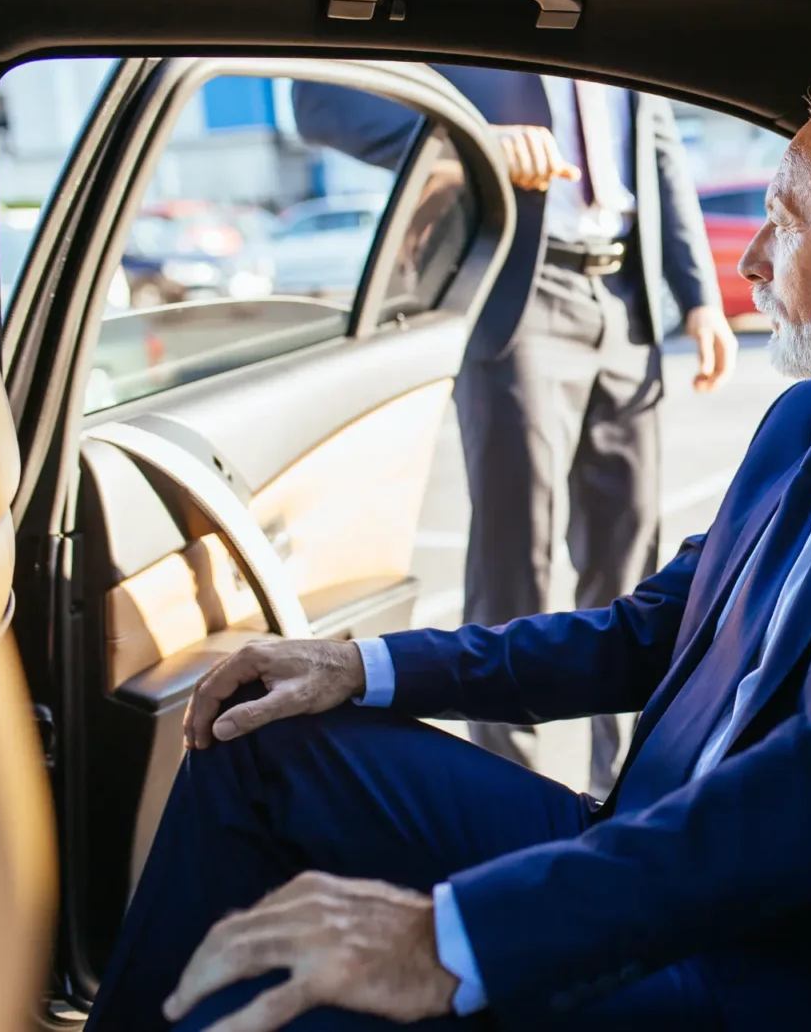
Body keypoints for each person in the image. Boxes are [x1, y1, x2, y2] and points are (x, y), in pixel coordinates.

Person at [87, 68, 811, 1032]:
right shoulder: (806, 422)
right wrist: (363, 667)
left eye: (781, 220)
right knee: (259, 739)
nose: (750, 258)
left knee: (321, 1008)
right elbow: (644, 632)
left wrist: (454, 938)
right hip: (642, 856)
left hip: (784, 973)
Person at [290, 68, 737, 795]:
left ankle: (623, 789)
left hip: (628, 303)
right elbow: (318, 101)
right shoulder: (466, 8)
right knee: (515, 563)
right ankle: (502, 794)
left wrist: (700, 296)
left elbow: (656, 148)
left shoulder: (622, 16)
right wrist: (474, 143)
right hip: (525, 297)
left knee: (632, 562)